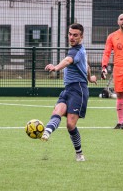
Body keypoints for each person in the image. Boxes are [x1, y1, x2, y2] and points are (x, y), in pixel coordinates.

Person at [41, 23, 97, 162]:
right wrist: (90, 77)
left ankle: (79, 154)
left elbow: (67, 61)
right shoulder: (79, 50)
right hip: (68, 89)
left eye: (75, 35)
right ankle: (46, 132)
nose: (71, 37)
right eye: (70, 34)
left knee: (70, 125)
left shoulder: (76, 51)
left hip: (79, 90)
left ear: (82, 37)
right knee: (58, 110)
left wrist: (55, 68)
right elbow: (86, 65)